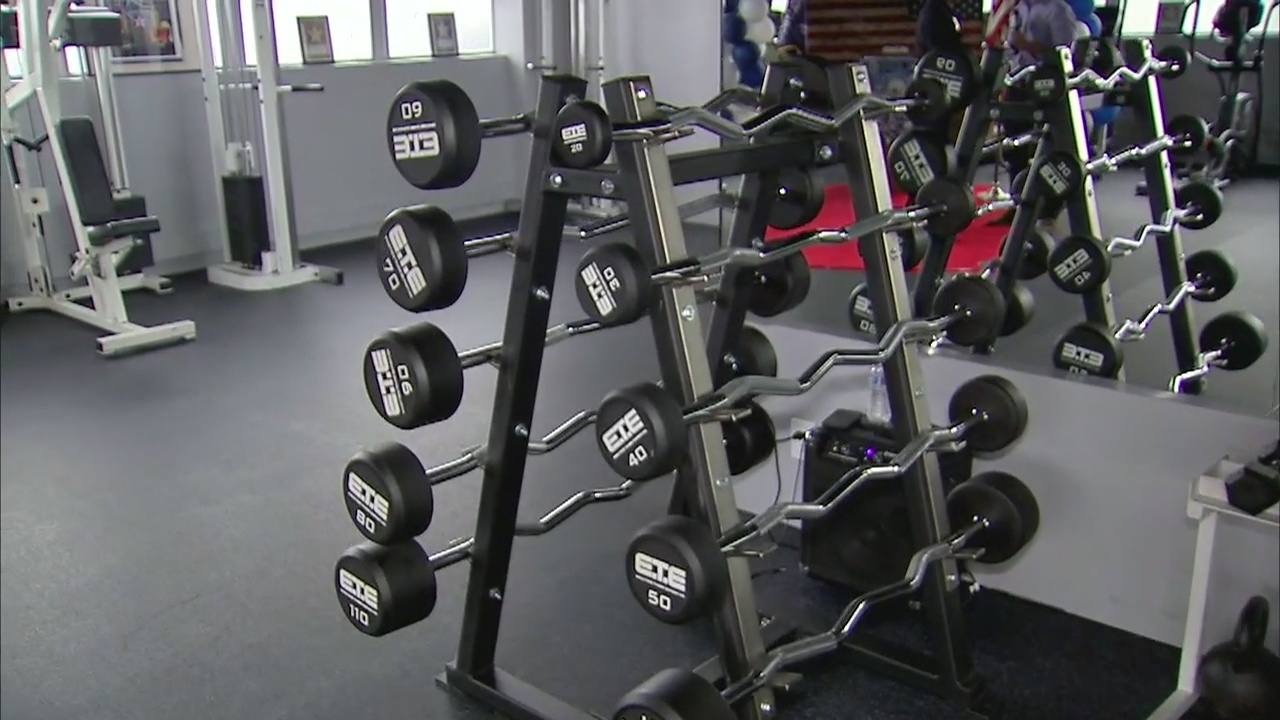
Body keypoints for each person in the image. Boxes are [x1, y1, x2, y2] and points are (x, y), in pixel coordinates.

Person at [993, 0, 1080, 225]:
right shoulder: (1019, 7)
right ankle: (1018, 202)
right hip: (1018, 83)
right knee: (1014, 149)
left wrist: (1029, 45)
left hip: (1045, 87)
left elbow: (1065, 54)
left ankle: (1048, 206)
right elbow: (1012, 48)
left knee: (1047, 147)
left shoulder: (1057, 9)